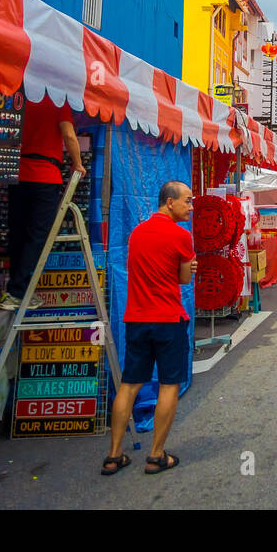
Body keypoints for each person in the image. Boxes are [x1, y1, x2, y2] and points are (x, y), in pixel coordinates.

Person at [102, 181, 194, 476]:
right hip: (168, 319)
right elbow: (183, 280)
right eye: (187, 201)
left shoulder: (137, 233)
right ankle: (156, 455)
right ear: (170, 202)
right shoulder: (181, 236)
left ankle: (114, 455)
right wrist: (189, 268)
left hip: (137, 319)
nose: (190, 207)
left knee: (129, 384)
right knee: (169, 383)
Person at [4, 96, 86, 310]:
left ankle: (15, 291)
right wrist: (77, 164)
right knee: (39, 235)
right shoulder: (58, 103)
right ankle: (17, 291)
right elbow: (69, 134)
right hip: (45, 176)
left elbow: (7, 139)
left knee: (18, 234)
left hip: (17, 173)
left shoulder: (22, 101)